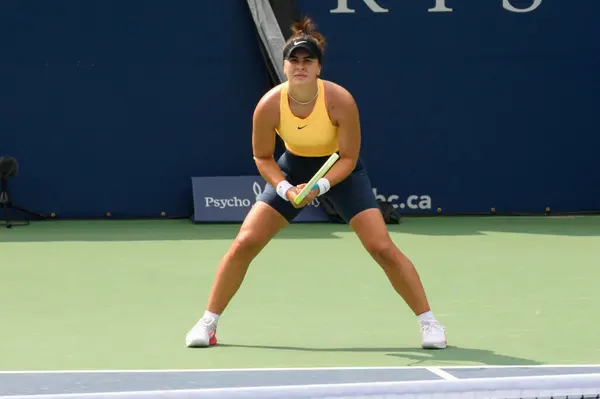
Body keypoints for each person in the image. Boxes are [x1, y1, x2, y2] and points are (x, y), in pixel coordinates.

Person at [185, 17, 447, 350]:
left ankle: (430, 323)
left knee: (382, 248)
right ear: (284, 66)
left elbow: (349, 157)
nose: (300, 66)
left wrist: (320, 187)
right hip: (292, 172)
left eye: (308, 60)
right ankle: (208, 323)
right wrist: (285, 188)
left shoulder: (340, 101)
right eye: (294, 60)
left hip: (340, 173)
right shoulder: (268, 106)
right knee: (244, 243)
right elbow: (263, 158)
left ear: (319, 67)